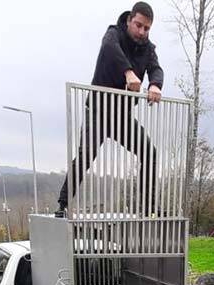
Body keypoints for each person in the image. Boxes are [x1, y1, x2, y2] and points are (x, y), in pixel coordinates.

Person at [56, 2, 164, 217]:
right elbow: (109, 49)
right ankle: (63, 203)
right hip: (98, 110)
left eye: (147, 28)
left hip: (121, 116)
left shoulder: (148, 49)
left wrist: (154, 84)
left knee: (149, 151)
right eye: (138, 25)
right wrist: (128, 72)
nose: (142, 32)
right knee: (86, 154)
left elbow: (156, 68)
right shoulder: (113, 34)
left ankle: (149, 207)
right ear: (129, 21)